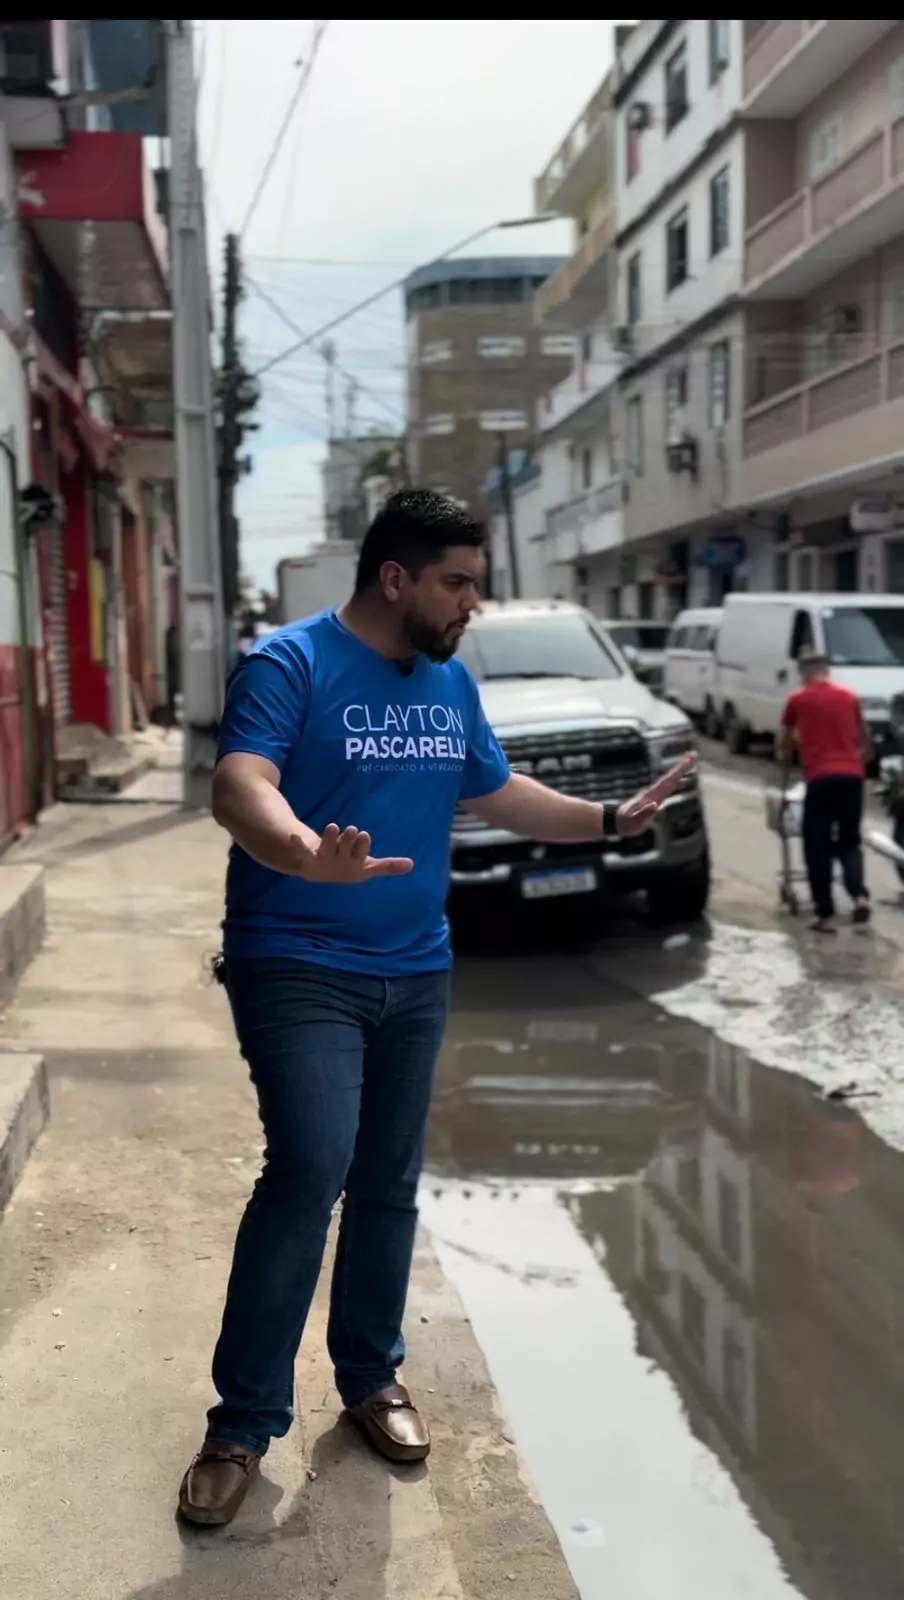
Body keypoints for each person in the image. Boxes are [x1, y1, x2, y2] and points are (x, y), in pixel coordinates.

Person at [178, 489, 694, 1527]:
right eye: (457, 581)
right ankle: (241, 1421)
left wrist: (604, 818)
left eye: (476, 579)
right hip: (297, 956)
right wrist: (302, 856)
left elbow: (495, 791)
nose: (473, 600)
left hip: (416, 966)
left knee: (388, 1179)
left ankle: (370, 1378)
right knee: (313, 1160)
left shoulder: (449, 683)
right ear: (395, 578)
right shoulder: (292, 663)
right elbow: (241, 783)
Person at [779, 645, 872, 934]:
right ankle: (858, 897)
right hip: (852, 778)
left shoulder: (798, 699)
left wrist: (787, 761)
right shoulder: (849, 696)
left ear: (804, 672)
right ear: (827, 670)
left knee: (816, 845)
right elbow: (866, 739)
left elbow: (784, 741)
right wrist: (858, 761)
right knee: (849, 841)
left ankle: (825, 914)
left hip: (820, 778)